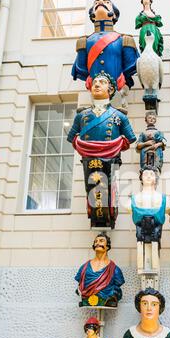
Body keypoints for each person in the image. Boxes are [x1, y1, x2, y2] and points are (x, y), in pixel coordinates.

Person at [67, 72, 136, 228]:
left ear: (111, 90)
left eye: (102, 82)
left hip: (111, 160)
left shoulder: (119, 116)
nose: (97, 85)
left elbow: (130, 138)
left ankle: (109, 213)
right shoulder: (81, 116)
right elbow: (72, 137)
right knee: (92, 192)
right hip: (89, 161)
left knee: (108, 192)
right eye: (95, 82)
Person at [72, 0, 139, 92]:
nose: (100, 2)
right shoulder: (83, 42)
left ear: (114, 15)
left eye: (107, 2)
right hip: (95, 90)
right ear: (92, 14)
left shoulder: (125, 40)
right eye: (96, 3)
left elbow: (130, 66)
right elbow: (81, 68)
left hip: (117, 89)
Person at [75, 233, 125, 307]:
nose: (97, 243)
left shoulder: (115, 270)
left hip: (107, 299)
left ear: (107, 246)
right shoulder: (84, 268)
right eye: (96, 241)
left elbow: (119, 283)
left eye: (101, 241)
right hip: (87, 298)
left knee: (115, 291)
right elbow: (79, 281)